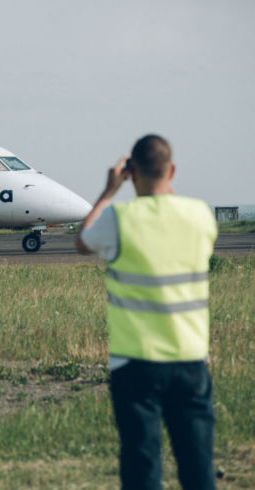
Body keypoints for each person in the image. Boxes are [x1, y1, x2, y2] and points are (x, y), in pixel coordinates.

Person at [75, 134, 217, 489]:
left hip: (135, 363)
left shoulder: (120, 219)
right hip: (189, 360)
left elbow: (82, 240)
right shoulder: (200, 215)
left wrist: (109, 191)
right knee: (198, 462)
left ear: (130, 173)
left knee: (142, 462)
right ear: (172, 170)